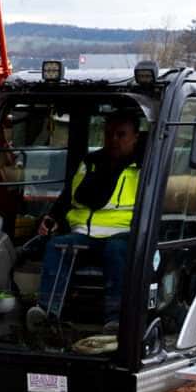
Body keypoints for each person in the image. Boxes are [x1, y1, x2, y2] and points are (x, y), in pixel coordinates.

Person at [41, 105, 145, 324]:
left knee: (116, 251)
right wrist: (52, 217)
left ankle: (114, 320)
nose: (114, 139)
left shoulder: (143, 167)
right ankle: (48, 313)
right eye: (109, 134)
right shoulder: (91, 162)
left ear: (136, 137)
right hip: (85, 237)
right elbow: (69, 194)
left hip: (124, 235)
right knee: (57, 246)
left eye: (121, 135)